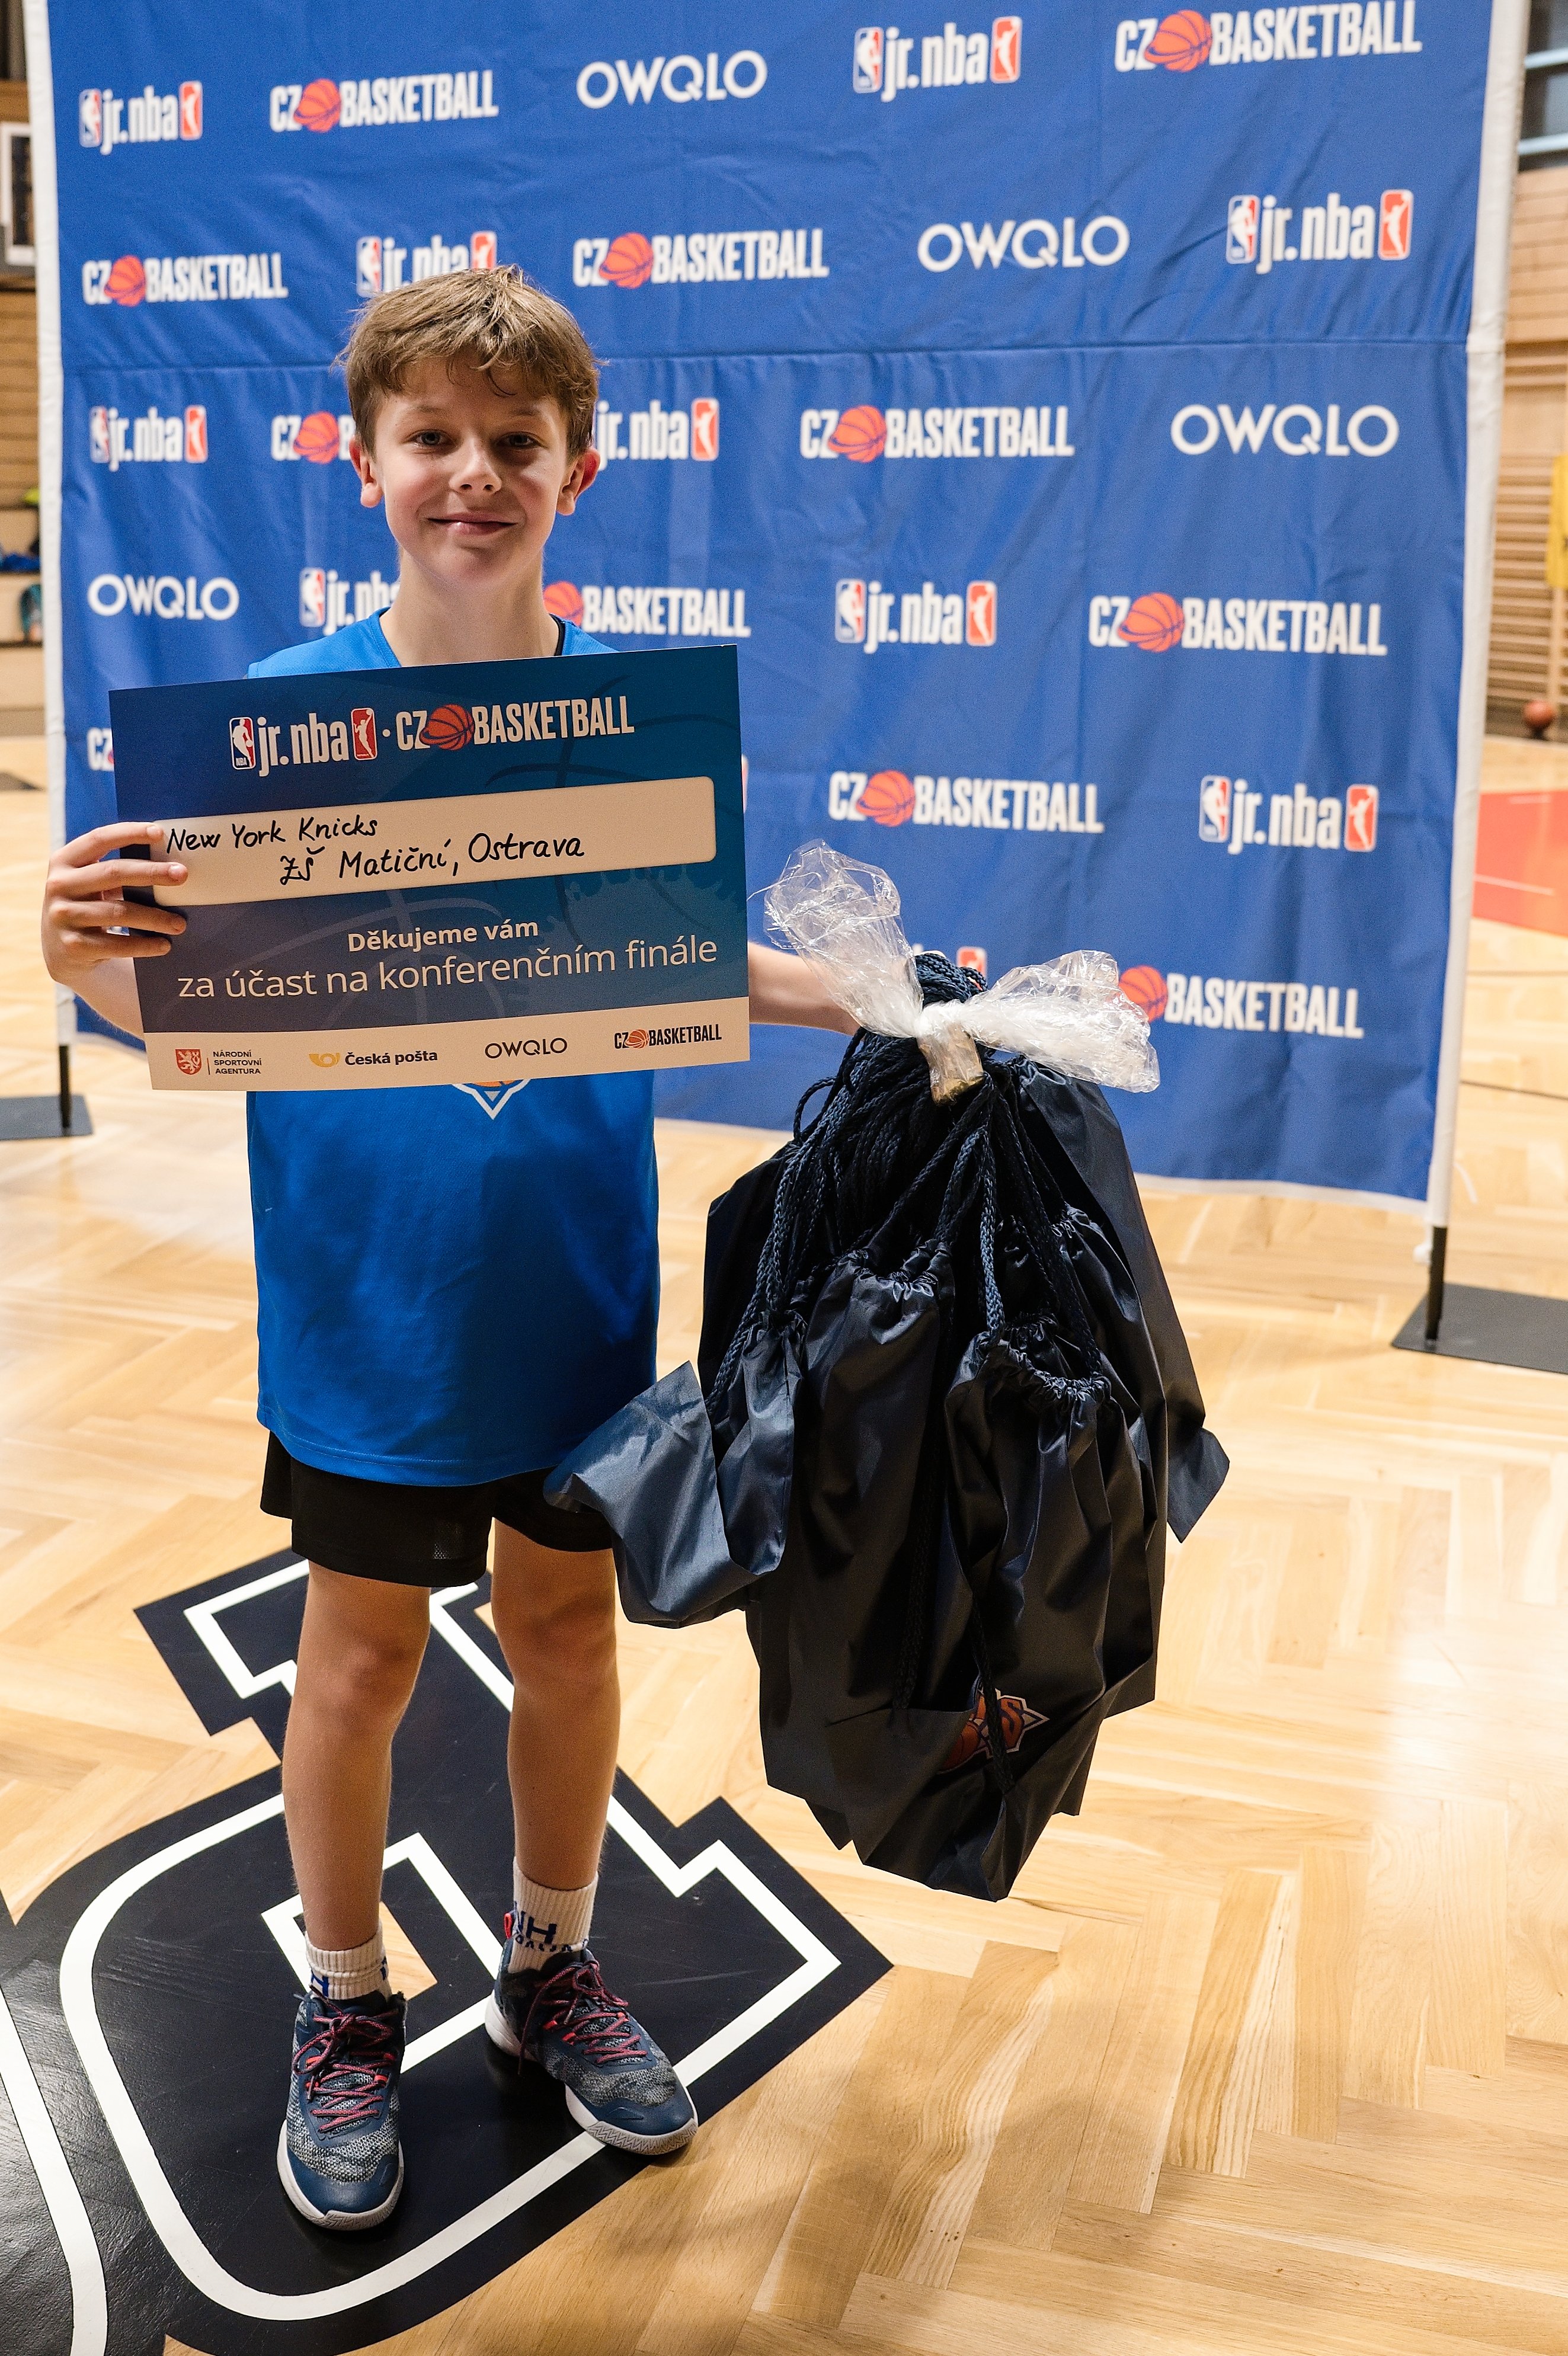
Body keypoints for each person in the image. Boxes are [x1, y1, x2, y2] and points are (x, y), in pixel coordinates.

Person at [40, 267, 853, 2231]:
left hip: (572, 1296)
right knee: (358, 1657)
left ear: (580, 469)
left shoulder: (624, 728)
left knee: (567, 1634)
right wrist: (77, 960)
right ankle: (343, 1999)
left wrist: (872, 998)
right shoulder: (278, 730)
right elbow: (185, 1011)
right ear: (365, 461)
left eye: (514, 441)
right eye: (433, 438)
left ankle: (552, 1960)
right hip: (370, 1311)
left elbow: (676, 960)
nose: (472, 474)